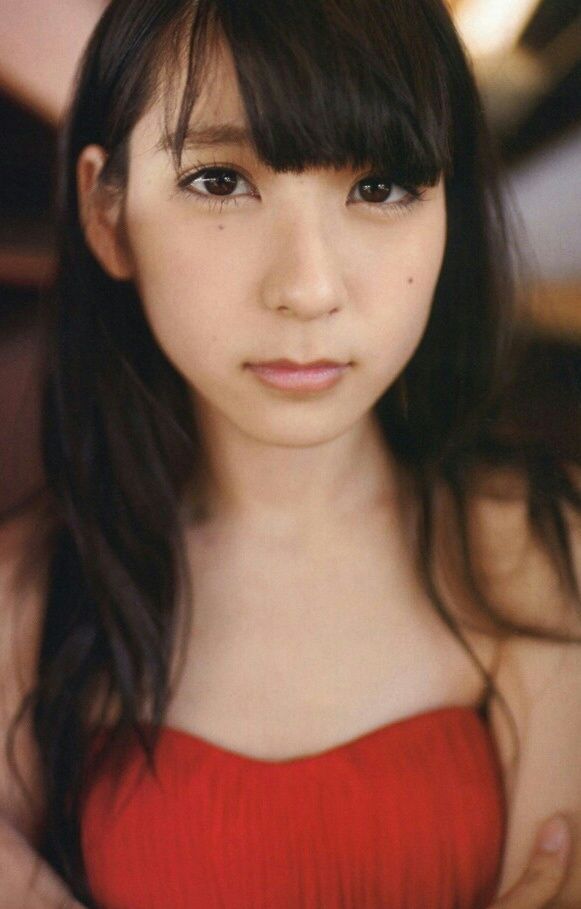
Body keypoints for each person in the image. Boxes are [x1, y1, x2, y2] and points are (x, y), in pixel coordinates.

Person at [0, 0, 580, 906]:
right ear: (106, 213)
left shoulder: (545, 555)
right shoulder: (27, 603)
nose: (308, 288)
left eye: (379, 186)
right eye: (220, 181)